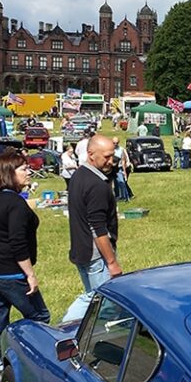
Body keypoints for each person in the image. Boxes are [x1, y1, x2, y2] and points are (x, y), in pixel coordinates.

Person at [0, 151, 50, 382]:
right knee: (39, 318)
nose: (28, 171)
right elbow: (18, 243)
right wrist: (29, 274)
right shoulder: (15, 204)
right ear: (10, 173)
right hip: (10, 275)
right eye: (23, 169)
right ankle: (32, 370)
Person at [62, 135, 123, 322]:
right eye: (106, 157)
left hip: (81, 249)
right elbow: (97, 228)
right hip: (95, 255)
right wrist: (111, 262)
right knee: (102, 300)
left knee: (96, 297)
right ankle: (65, 328)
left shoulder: (79, 176)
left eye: (112, 156)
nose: (111, 161)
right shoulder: (96, 185)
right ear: (90, 154)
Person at [112, 137, 130, 201]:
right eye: (114, 143)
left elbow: (123, 161)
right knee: (114, 183)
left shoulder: (121, 150)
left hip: (118, 168)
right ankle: (117, 196)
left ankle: (125, 197)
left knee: (122, 182)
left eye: (116, 143)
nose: (115, 144)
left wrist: (124, 171)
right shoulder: (109, 149)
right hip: (111, 169)